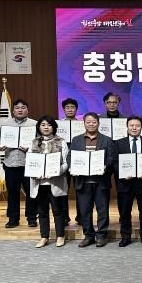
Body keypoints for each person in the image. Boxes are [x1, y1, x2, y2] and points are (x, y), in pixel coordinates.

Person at [69, 112, 115, 248]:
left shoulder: (107, 140)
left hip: (101, 181)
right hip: (83, 182)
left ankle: (101, 235)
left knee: (102, 210)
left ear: (98, 123)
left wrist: (105, 165)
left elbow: (111, 157)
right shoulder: (76, 140)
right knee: (85, 211)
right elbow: (70, 157)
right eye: (88, 122)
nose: (91, 124)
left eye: (94, 122)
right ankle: (88, 235)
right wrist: (72, 166)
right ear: (84, 123)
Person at [0, 98, 38, 228]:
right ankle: (13, 219)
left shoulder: (34, 124)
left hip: (29, 164)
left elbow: (41, 141)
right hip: (10, 163)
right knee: (12, 193)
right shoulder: (5, 123)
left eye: (23, 107)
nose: (20, 110)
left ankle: (32, 218)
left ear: (27, 110)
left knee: (31, 193)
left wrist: (31, 148)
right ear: (13, 110)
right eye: (17, 108)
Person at [113, 116, 142, 247]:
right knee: (124, 212)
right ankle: (125, 237)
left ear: (141, 127)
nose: (134, 128)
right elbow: (115, 163)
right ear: (127, 127)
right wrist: (122, 174)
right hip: (125, 183)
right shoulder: (119, 143)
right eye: (131, 125)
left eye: (137, 126)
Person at [28, 116, 69, 248]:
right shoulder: (33, 142)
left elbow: (66, 163)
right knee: (42, 211)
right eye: (43, 125)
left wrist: (56, 171)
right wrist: (35, 172)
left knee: (58, 211)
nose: (46, 127)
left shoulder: (61, 141)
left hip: (55, 182)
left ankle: (60, 236)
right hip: (39, 183)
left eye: (49, 125)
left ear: (54, 127)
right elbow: (30, 162)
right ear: (39, 127)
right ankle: (44, 237)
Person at [60, 97, 80, 226]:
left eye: (72, 107)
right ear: (63, 109)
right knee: (63, 190)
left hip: (79, 161)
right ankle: (64, 217)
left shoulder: (82, 124)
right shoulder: (59, 125)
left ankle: (81, 217)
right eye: (67, 107)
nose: (70, 109)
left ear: (76, 109)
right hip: (63, 160)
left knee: (80, 190)